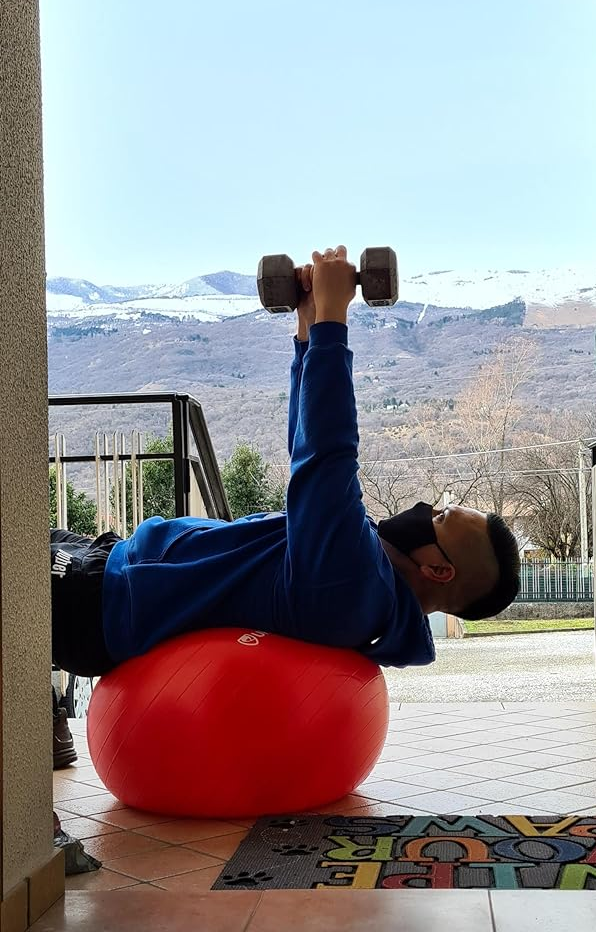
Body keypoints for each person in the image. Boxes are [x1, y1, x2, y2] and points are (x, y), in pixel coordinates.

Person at [49, 247, 520, 683]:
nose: (426, 508)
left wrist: (334, 322)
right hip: (113, 568)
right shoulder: (366, 578)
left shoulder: (356, 582)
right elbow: (306, 447)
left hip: (99, 601)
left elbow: (325, 457)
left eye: (439, 517)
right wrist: (308, 326)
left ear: (439, 570)